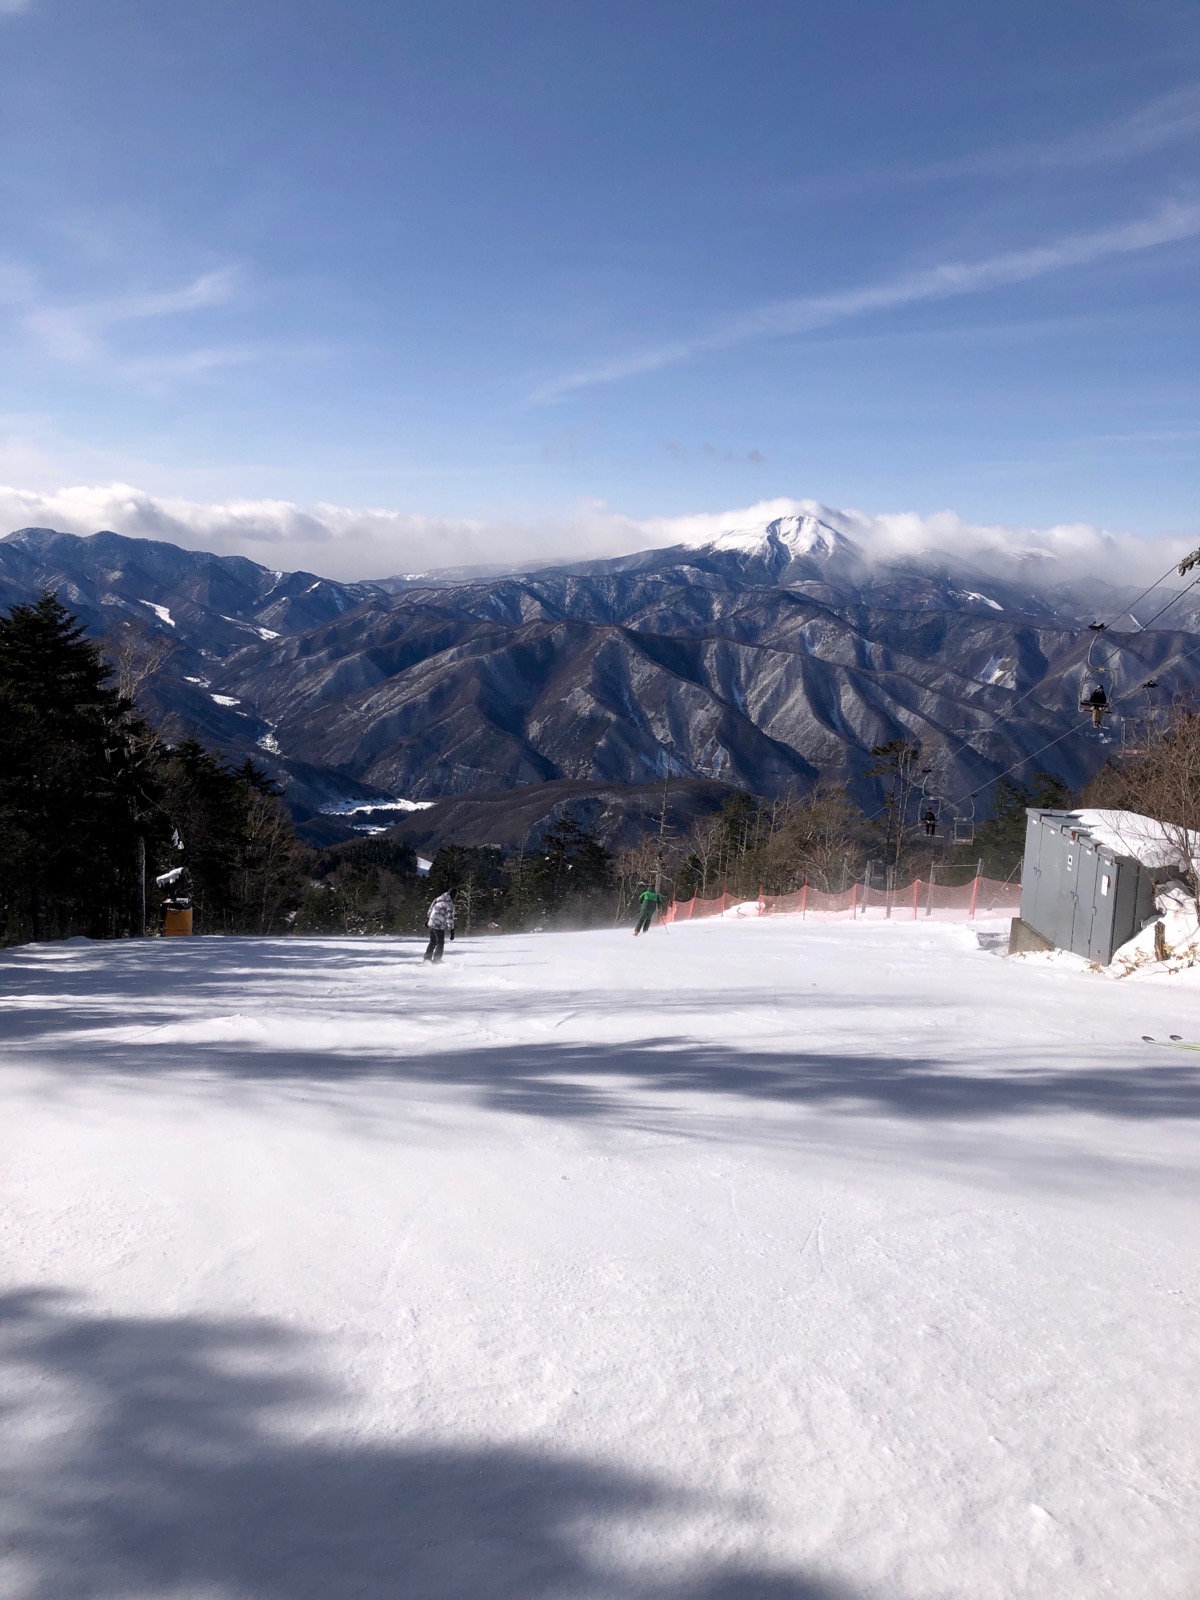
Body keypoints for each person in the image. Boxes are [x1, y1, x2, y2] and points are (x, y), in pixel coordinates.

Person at [424, 890, 456, 962]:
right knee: (440, 942)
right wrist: (452, 930)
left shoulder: (438, 899)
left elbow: (430, 909)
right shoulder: (449, 904)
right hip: (439, 925)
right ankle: (436, 960)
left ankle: (427, 959)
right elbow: (449, 917)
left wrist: (428, 919)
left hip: (431, 923)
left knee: (432, 942)